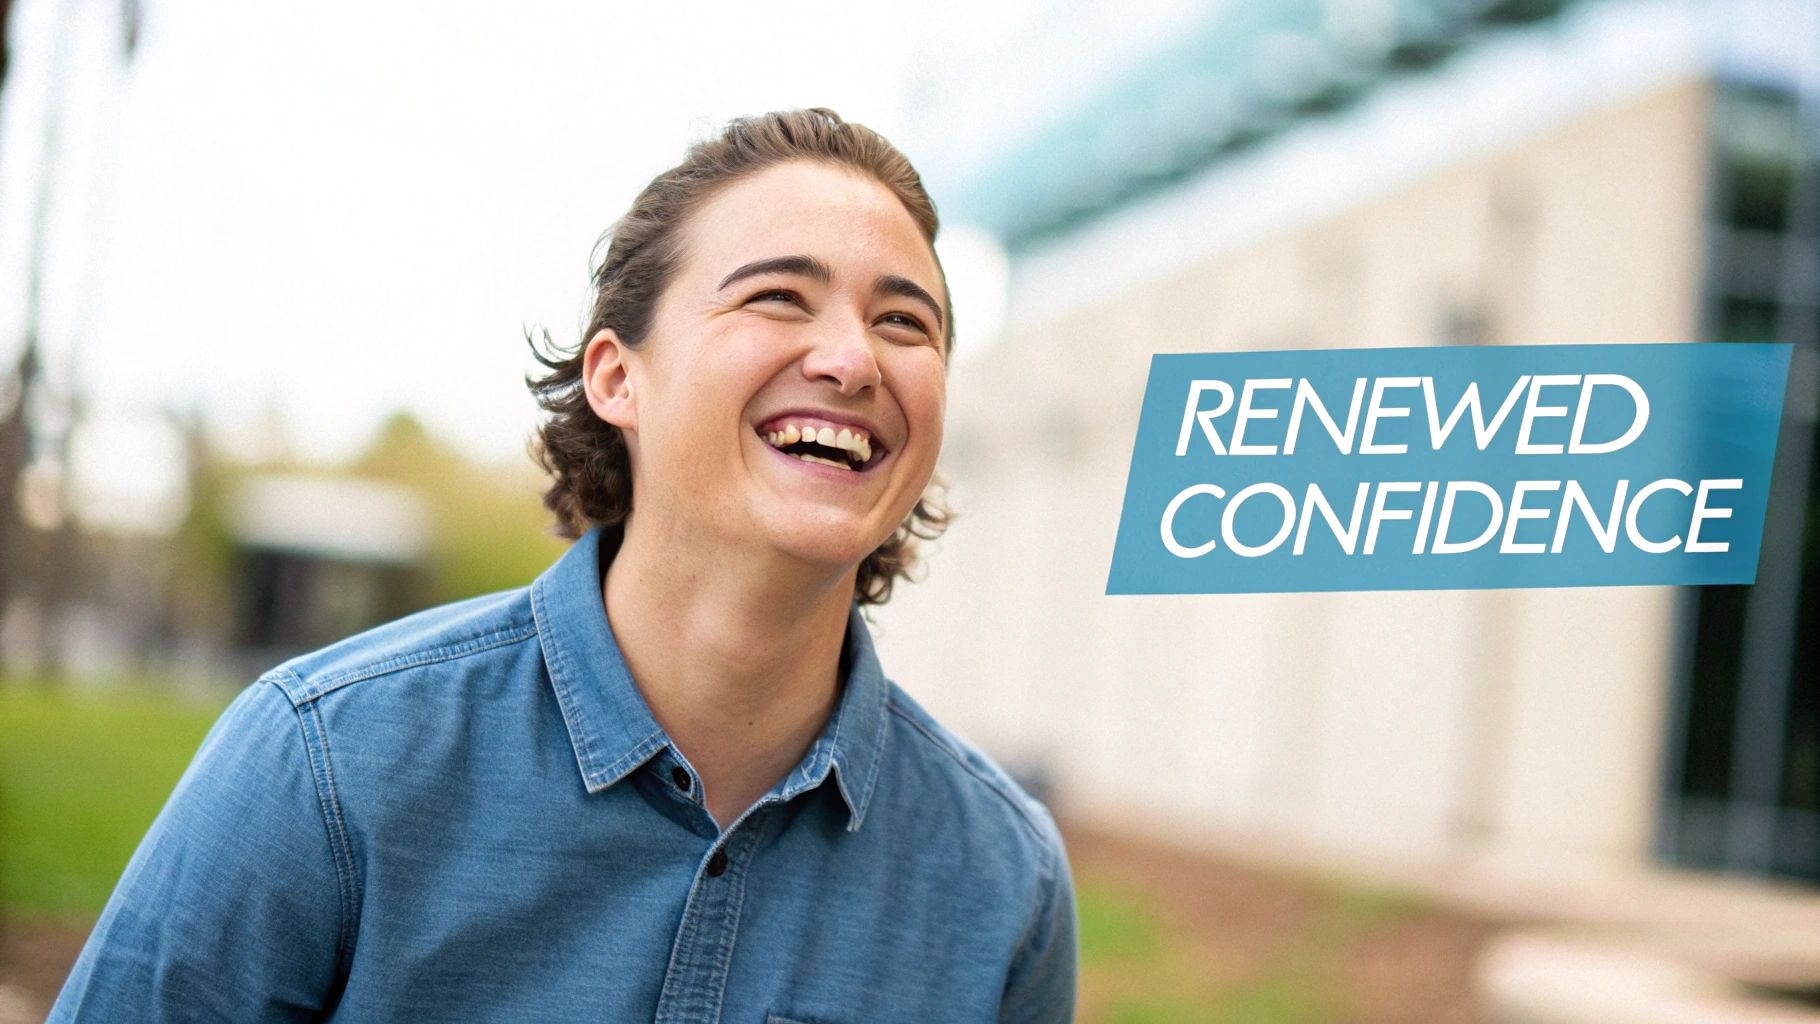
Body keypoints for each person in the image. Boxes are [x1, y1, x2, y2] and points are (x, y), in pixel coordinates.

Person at [50, 107, 1078, 1022]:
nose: (853, 358)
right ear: (615, 377)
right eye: (776, 297)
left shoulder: (1007, 886)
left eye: (905, 321)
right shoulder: (323, 765)